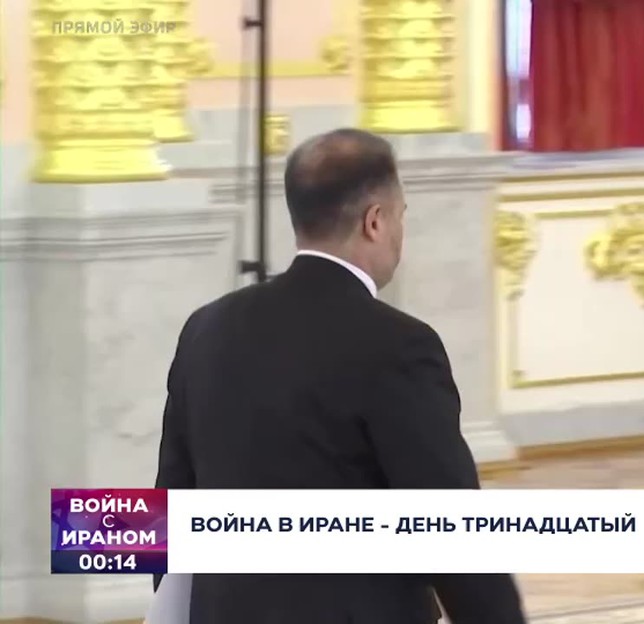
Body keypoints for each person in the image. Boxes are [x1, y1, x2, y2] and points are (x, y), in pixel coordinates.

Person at [153, 128, 527, 624]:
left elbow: (168, 503)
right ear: (375, 221)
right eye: (400, 216)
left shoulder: (207, 327)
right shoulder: (399, 346)